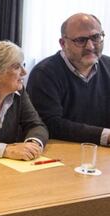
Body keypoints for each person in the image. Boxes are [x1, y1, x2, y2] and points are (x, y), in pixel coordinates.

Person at [27, 13, 110, 145]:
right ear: (63, 43)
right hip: (61, 152)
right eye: (81, 40)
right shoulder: (44, 74)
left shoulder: (108, 65)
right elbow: (50, 124)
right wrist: (105, 135)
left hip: (102, 153)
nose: (90, 46)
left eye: (96, 37)